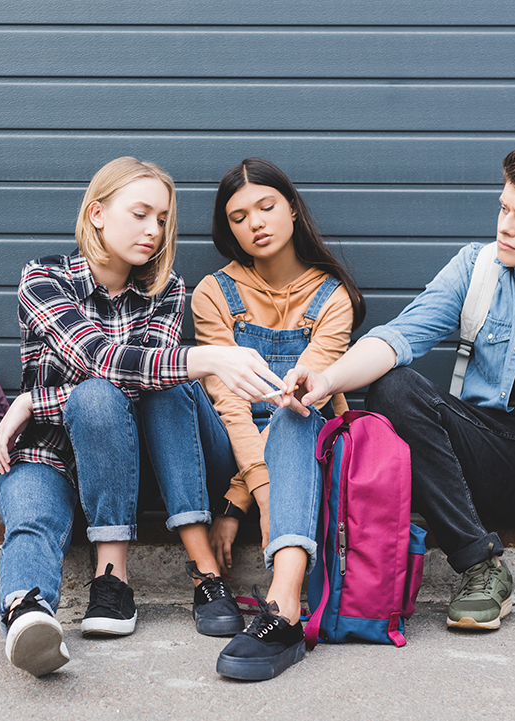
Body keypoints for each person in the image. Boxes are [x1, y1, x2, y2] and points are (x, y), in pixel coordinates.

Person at [274, 139, 515, 664]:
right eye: (505, 207)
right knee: (394, 387)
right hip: (491, 461)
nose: (506, 225)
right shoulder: (477, 267)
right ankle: (480, 565)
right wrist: (327, 379)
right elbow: (400, 336)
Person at [0, 157, 289, 677]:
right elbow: (97, 357)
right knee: (31, 518)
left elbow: (139, 389)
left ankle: (115, 577)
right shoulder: (44, 277)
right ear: (98, 213)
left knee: (129, 392)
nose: (153, 230)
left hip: (141, 464)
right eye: (141, 214)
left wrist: (32, 401)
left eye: (163, 219)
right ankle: (28, 615)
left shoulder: (165, 289)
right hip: (49, 452)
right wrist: (207, 357)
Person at [191, 158, 365, 680]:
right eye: (239, 217)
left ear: (291, 208)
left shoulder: (334, 297)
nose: (256, 223)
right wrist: (262, 493)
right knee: (183, 392)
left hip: (306, 446)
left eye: (266, 207)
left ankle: (283, 611)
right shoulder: (212, 294)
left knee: (295, 407)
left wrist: (236, 500)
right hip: (231, 444)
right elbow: (229, 404)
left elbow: (310, 392)